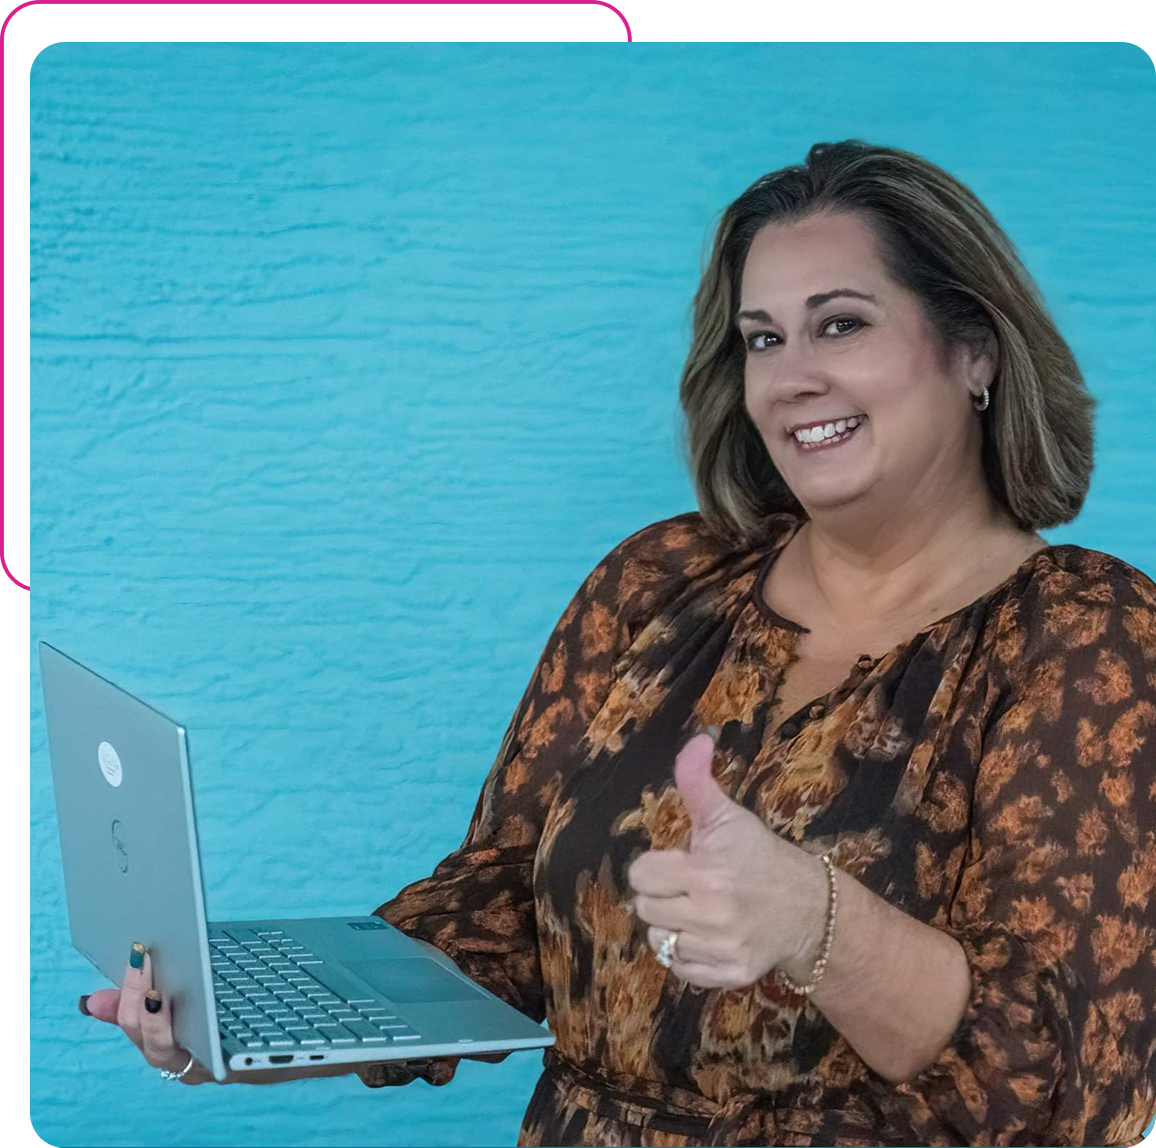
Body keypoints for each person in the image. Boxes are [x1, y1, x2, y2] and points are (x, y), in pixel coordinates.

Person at [82, 139, 1156, 1147]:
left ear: (972, 347)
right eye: (762, 338)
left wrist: (814, 917)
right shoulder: (661, 580)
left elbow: (1063, 1081)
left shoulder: (1085, 640)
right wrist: (246, 1027)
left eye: (840, 324)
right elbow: (502, 902)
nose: (791, 378)